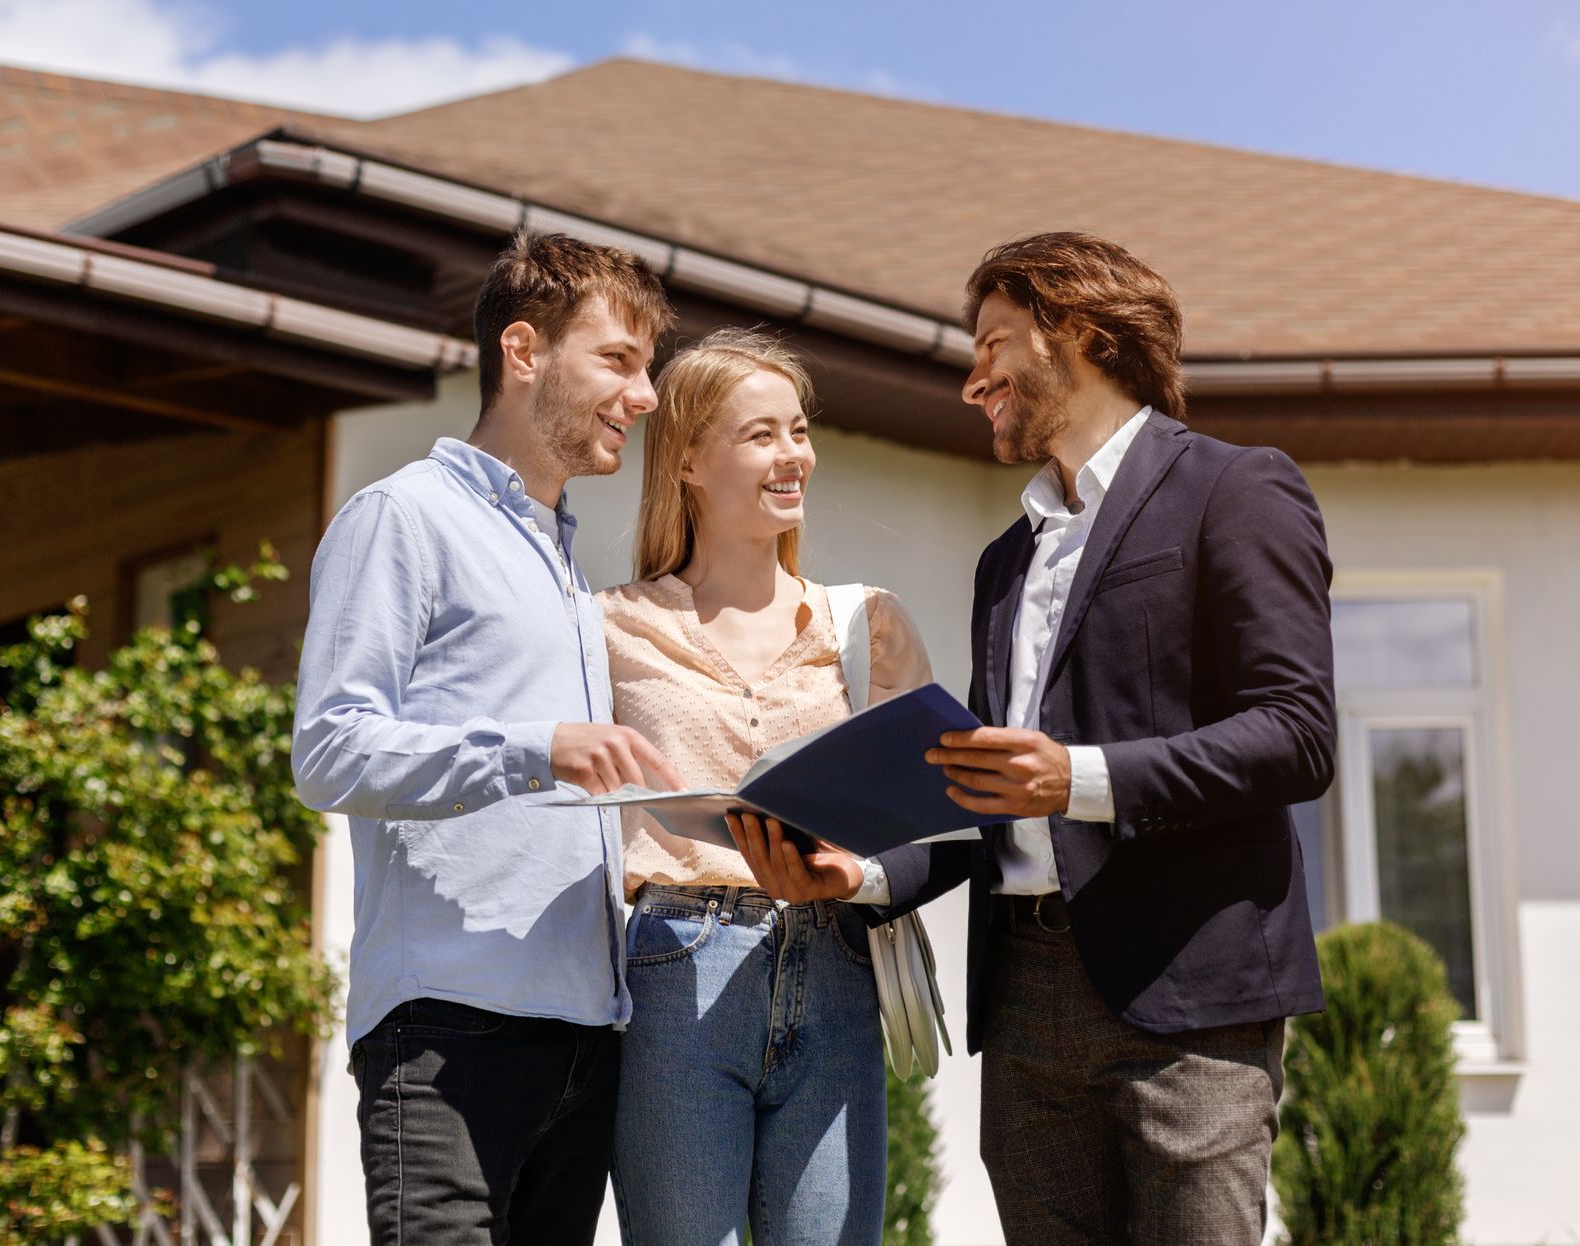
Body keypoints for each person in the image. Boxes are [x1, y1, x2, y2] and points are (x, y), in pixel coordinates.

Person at [742, 231, 1335, 1245]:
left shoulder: (1237, 490)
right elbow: (987, 795)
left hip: (1188, 1001)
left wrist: (1080, 778)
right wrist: (863, 874)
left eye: (993, 346)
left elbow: (1297, 734)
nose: (974, 383)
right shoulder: (1004, 563)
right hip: (1022, 1005)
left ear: (1081, 335)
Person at [291, 231, 684, 1246]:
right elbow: (330, 750)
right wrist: (531, 748)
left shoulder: (562, 562)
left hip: (588, 1045)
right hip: (448, 1038)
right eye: (618, 361)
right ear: (524, 351)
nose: (644, 397)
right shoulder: (404, 519)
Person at [595, 328, 931, 1246]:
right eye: (760, 435)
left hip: (835, 966)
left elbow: (934, 827)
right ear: (690, 459)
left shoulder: (867, 624)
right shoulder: (608, 628)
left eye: (799, 431)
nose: (793, 457)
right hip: (675, 972)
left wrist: (852, 874)